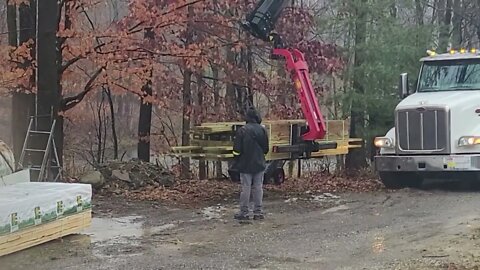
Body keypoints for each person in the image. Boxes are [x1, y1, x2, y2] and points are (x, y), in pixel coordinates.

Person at [232, 107, 269, 220]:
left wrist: (236, 160)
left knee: (246, 188)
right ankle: (258, 212)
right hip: (259, 163)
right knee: (258, 187)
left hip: (245, 164)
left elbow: (236, 150)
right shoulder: (262, 130)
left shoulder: (242, 130)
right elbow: (266, 149)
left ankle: (244, 212)